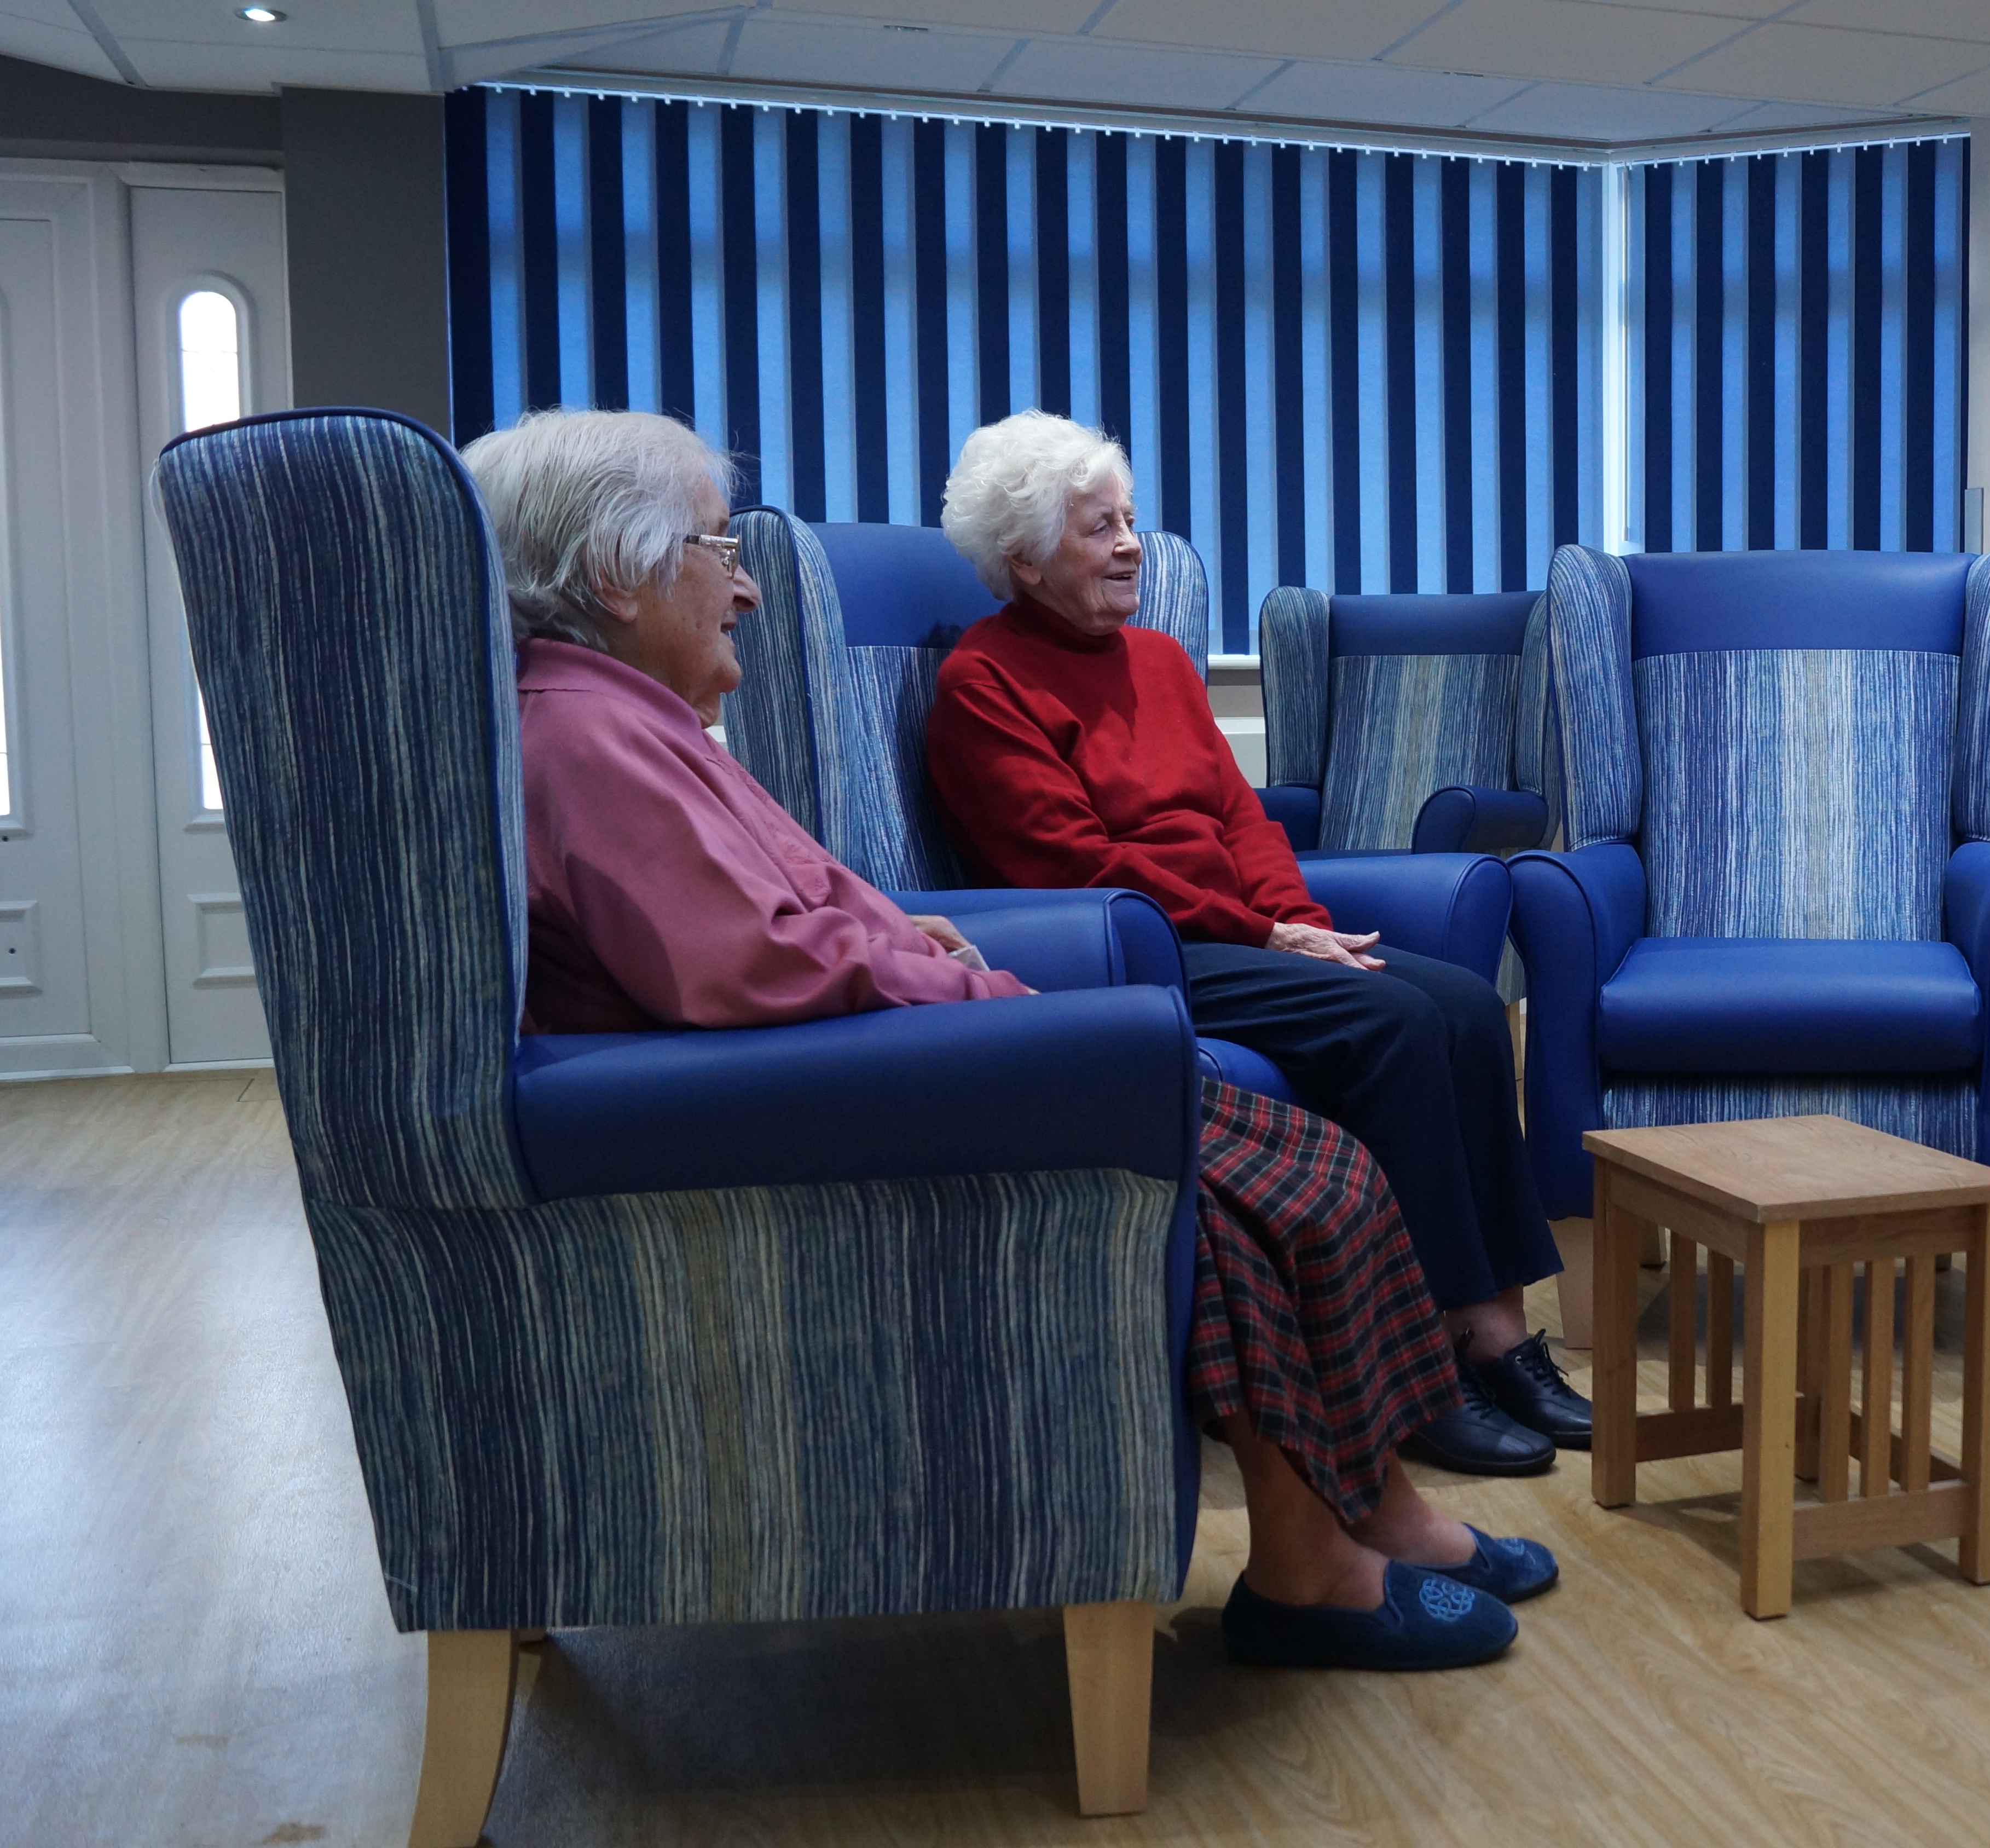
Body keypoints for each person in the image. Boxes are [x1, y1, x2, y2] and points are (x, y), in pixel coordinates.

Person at [469, 407, 1552, 1672]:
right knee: (1294, 1170)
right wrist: (986, 996)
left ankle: (1363, 1517)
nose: (747, 583)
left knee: (1319, 1160)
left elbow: (808, 906)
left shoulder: (628, 719)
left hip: (856, 1054)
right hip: (805, 1095)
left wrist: (946, 939)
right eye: (716, 547)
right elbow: (754, 966)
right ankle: (1322, 1558)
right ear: (614, 573)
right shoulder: (595, 736)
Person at [920, 411, 1586, 1479]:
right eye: (1100, 528)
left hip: (1239, 930)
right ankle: (1420, 1375)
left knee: (1460, 1004)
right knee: (1395, 1024)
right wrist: (1260, 928)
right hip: (1130, 950)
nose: (1133, 543)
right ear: (1026, 559)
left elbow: (1243, 821)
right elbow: (1074, 862)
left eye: (1130, 519)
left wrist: (1302, 924)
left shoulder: (1162, 663)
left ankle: (1498, 1335)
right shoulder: (983, 687)